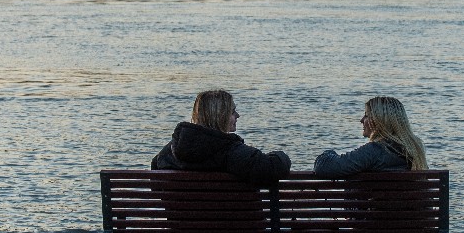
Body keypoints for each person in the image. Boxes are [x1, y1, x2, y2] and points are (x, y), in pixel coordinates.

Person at [151, 90, 291, 185]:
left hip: (180, 226)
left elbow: (156, 186)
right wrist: (279, 155)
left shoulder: (168, 154)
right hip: (235, 228)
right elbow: (273, 168)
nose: (237, 115)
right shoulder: (232, 152)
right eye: (232, 111)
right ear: (220, 116)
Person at [313, 96, 427, 177]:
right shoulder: (415, 150)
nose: (361, 120)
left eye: (366, 115)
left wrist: (329, 153)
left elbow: (325, 167)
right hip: (413, 210)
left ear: (379, 121)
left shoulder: (375, 151)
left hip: (375, 211)